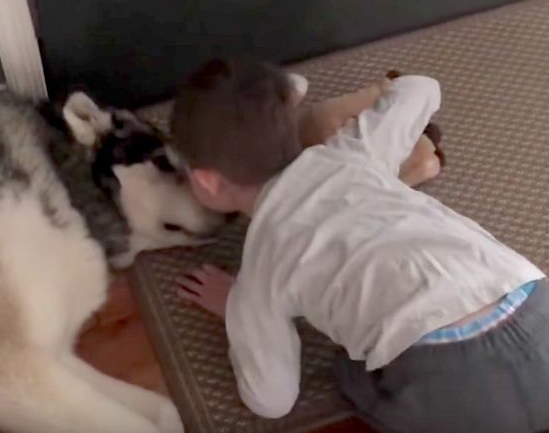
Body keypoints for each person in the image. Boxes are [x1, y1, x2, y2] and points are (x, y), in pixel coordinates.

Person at [170, 57, 549, 433]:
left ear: (207, 181)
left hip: (443, 375)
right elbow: (422, 87)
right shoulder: (354, 151)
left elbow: (271, 401)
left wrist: (236, 307)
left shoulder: (261, 269)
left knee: (351, 375)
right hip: (529, 301)